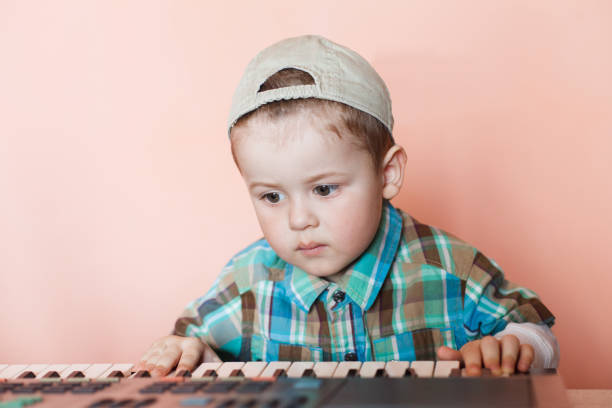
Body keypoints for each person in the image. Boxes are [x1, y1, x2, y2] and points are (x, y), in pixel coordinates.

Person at [135, 35, 559, 378]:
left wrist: (516, 347)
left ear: (387, 173)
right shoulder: (245, 284)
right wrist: (188, 354)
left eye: (324, 190)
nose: (299, 220)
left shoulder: (448, 268)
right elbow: (190, 347)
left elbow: (537, 334)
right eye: (271, 197)